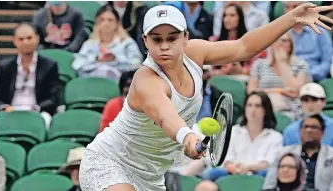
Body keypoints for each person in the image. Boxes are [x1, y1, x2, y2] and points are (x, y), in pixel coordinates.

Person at [79, 4, 333, 191]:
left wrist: (290, 18)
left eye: (172, 38)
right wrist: (188, 137)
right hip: (109, 161)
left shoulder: (195, 53)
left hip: (150, 175)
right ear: (145, 41)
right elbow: (167, 117)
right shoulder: (146, 80)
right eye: (157, 39)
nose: (165, 46)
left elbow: (245, 46)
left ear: (185, 37)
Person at [202, 91, 283, 181]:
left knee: (269, 173)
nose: (253, 109)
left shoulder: (275, 136)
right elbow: (226, 156)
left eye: (257, 106)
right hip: (232, 172)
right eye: (249, 105)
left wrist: (248, 168)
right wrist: (232, 167)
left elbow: (270, 162)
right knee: (209, 174)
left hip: (258, 173)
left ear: (265, 110)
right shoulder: (233, 131)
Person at [0, 23, 60, 117]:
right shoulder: (5, 66)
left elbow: (54, 98)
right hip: (9, 112)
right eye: (21, 39)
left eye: (29, 38)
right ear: (14, 41)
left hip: (39, 113)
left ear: (37, 38)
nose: (25, 42)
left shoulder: (49, 65)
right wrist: (5, 107)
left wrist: (36, 108)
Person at [247, 32, 312, 120]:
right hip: (263, 107)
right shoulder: (259, 64)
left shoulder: (301, 65)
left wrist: (282, 62)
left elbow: (296, 91)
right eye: (276, 40)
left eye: (284, 40)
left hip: (291, 110)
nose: (280, 43)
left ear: (291, 45)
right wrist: (279, 90)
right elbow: (251, 91)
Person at [263, 114, 333, 191]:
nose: (308, 130)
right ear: (300, 132)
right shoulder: (283, 153)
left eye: (313, 127)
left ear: (322, 133)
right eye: (305, 127)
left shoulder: (331, 155)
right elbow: (269, 185)